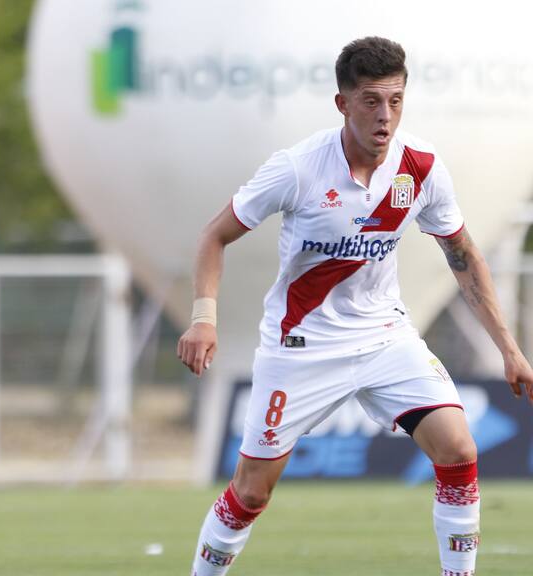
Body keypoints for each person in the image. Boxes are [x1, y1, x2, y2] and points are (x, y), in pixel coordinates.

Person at [177, 36, 533, 576]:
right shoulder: (297, 168)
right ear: (343, 104)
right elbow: (212, 236)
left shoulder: (421, 167)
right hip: (300, 346)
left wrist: (509, 348)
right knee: (251, 492)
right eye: (370, 101)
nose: (384, 117)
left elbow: (463, 256)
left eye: (395, 101)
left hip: (385, 337)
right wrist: (204, 319)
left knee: (459, 451)